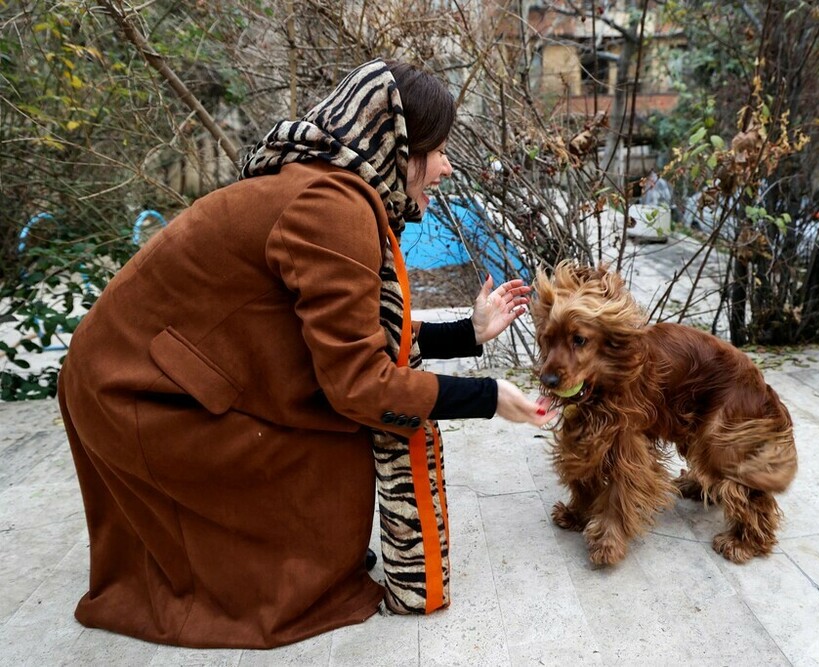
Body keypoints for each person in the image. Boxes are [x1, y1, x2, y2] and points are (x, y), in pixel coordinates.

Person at [57, 58, 556, 649]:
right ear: (396, 145)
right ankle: (259, 583)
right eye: (438, 149)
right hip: (137, 392)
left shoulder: (330, 189)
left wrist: (465, 334)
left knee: (337, 436)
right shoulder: (332, 208)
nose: (446, 166)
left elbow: (343, 334)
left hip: (158, 373)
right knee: (337, 440)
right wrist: (489, 396)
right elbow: (360, 385)